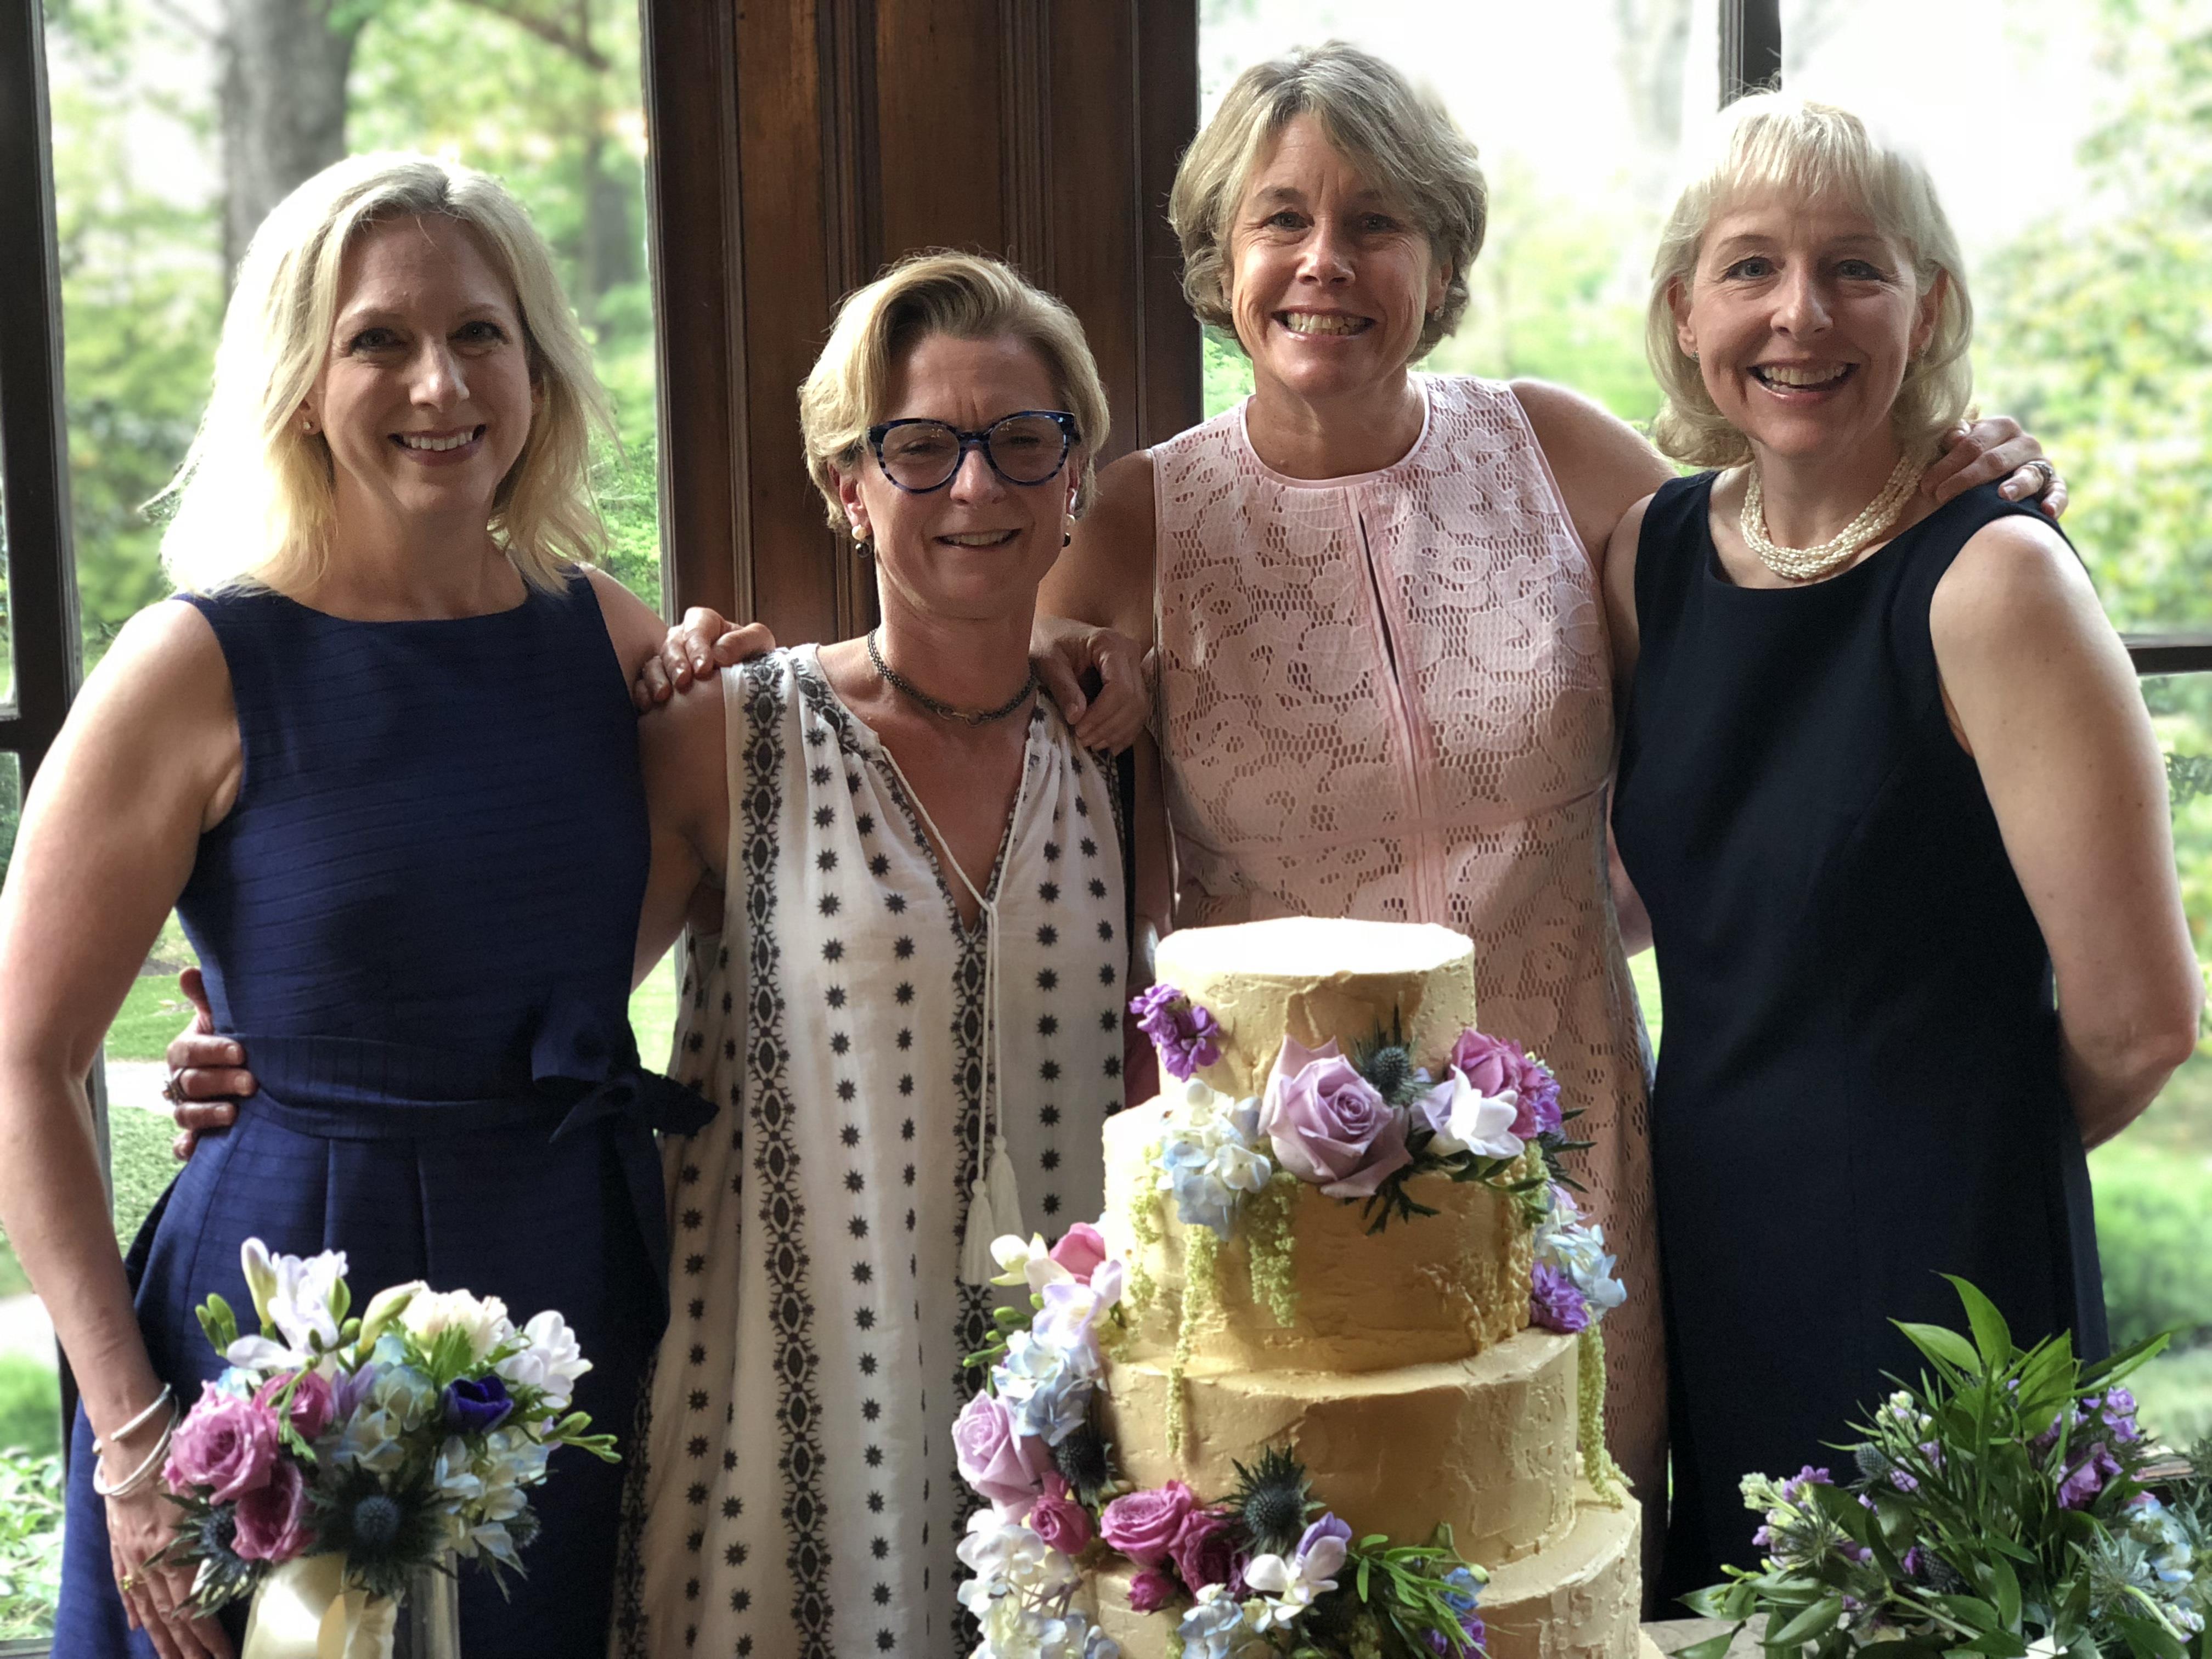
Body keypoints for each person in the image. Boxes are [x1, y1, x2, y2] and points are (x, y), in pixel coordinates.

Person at [652, 43, 2062, 1581]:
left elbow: (1788, 579)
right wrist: (733, 666)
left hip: (1585, 1170)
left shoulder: (1559, 453)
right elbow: (969, 688)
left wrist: (1958, 471)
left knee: (1577, 1580)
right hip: (1285, 1217)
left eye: (1377, 221)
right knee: (1332, 1598)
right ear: (1224, 260)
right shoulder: (1134, 520)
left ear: (1440, 262)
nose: (1326, 261)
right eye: (1283, 219)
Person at [0, 154, 732, 1659]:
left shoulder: (605, 634)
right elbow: (22, 1061)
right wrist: (130, 1438)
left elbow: (606, 931)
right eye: (378, 340)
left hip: (574, 1279)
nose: (439, 383)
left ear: (538, 366)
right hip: (285, 1307)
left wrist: (728, 682)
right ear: (298, 381)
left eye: (480, 334)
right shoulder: (193, 662)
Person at [1604, 95, 2202, 1598]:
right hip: (1713, 1251)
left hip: (1941, 1278)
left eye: (1856, 267)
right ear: (1684, 311)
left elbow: (2142, 1023)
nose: (1799, 313)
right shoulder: (1648, 560)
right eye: (1750, 266)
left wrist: (1946, 1153)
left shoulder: (1997, 581)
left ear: (1926, 308)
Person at [612, 252, 1127, 1655]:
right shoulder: (730, 736)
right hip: (788, 1423)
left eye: (1024, 442)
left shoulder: (1120, 751)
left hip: (1070, 1426)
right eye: (920, 448)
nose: (977, 486)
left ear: (1075, 478)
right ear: (848, 487)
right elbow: (549, 1010)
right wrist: (260, 1053)